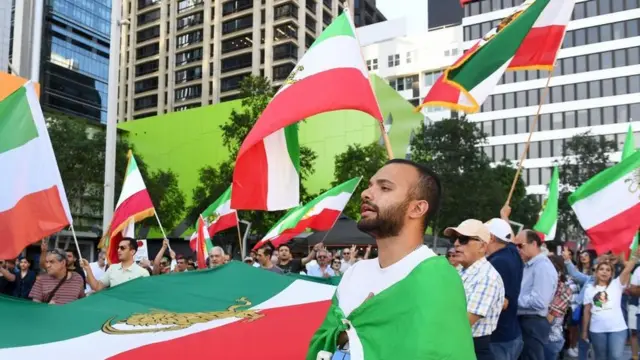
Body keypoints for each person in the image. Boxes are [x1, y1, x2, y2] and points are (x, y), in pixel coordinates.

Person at [307, 159, 474, 359]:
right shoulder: (354, 272)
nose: (366, 193)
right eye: (370, 185)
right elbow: (324, 338)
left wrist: (363, 329)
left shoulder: (437, 278)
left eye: (385, 187)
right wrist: (349, 332)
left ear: (417, 209)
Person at [446, 219, 505, 360]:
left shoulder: (487, 278)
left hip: (472, 350)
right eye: (455, 239)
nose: (456, 244)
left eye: (464, 239)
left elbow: (462, 323)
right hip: (457, 346)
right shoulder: (461, 270)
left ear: (482, 247)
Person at [582, 251, 638, 360]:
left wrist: (635, 256)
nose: (604, 272)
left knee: (615, 357)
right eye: (601, 269)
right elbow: (587, 311)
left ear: (611, 273)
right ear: (596, 272)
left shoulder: (616, 284)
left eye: (608, 270)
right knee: (601, 357)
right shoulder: (589, 289)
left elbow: (627, 269)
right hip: (597, 330)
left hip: (618, 329)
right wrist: (584, 331)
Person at [485, 208, 524, 360]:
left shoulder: (498, 262)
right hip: (509, 334)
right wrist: (504, 217)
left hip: (499, 339)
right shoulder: (512, 252)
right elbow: (511, 239)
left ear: (492, 237)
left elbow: (503, 302)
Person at [514, 230, 558, 360]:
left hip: (533, 323)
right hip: (526, 321)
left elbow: (539, 301)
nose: (518, 249)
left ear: (533, 244)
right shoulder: (530, 265)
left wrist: (512, 300)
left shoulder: (542, 266)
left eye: (520, 245)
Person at [81, 238, 149, 291]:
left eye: (122, 248)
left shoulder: (143, 273)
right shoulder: (112, 268)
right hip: (113, 307)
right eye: (118, 248)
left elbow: (145, 295)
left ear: (132, 251)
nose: (118, 250)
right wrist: (88, 269)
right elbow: (97, 287)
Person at [544, 255, 573, 360]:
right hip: (533, 337)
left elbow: (549, 319)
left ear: (559, 272)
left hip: (550, 340)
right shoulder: (540, 285)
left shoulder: (564, 290)